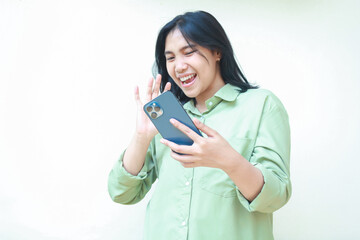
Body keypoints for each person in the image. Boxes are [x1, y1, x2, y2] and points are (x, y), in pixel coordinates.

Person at [108, 11, 291, 240]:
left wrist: (229, 161)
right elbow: (122, 193)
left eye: (189, 52)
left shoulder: (261, 105)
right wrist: (142, 137)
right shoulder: (168, 114)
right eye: (171, 57)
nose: (179, 66)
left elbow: (275, 197)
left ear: (217, 51)